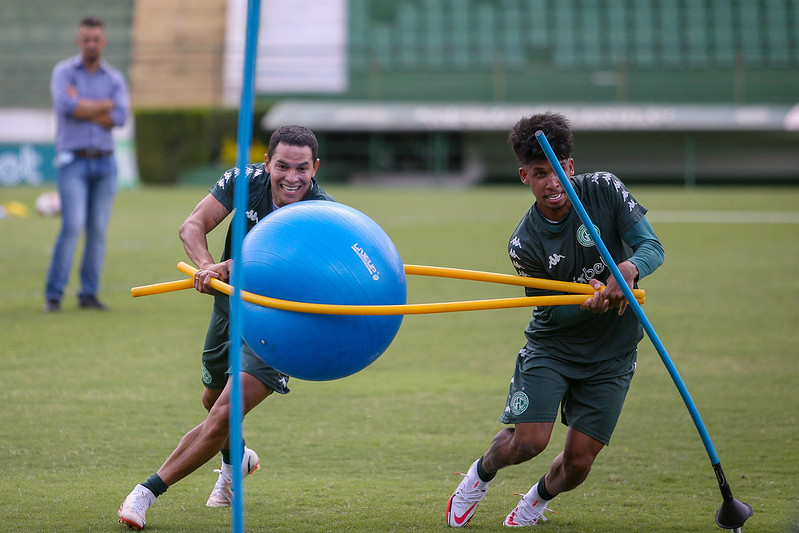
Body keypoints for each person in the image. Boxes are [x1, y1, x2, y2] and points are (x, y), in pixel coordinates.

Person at [446, 112, 665, 528]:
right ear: (524, 176)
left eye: (560, 170)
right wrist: (590, 302)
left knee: (579, 463)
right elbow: (552, 310)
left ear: (571, 166)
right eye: (541, 173)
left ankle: (536, 499)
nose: (554, 183)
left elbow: (651, 246)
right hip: (555, 345)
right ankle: (480, 474)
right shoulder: (523, 242)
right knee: (529, 442)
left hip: (614, 352)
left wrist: (630, 269)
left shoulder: (605, 189)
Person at [117, 125, 335, 530]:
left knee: (223, 415)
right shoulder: (243, 180)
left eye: (302, 169)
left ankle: (145, 493)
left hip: (281, 325)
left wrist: (235, 265)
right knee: (212, 400)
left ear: (315, 167)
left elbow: (281, 268)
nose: (292, 177)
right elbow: (192, 226)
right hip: (229, 307)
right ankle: (239, 462)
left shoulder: (320, 214)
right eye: (282, 166)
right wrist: (206, 266)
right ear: (267, 162)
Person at [43, 16, 130, 312]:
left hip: (105, 164)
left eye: (96, 39)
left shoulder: (114, 78)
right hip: (73, 163)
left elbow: (119, 117)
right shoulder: (63, 72)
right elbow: (66, 107)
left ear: (103, 42)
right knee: (72, 226)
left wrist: (83, 105)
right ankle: (53, 295)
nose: (91, 44)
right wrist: (103, 104)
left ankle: (88, 294)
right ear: (79, 41)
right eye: (86, 39)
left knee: (98, 231)